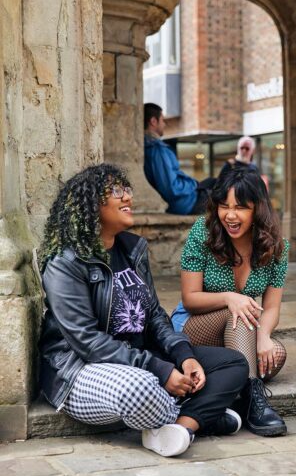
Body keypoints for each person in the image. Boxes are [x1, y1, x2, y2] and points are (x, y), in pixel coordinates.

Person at [38, 163, 248, 458]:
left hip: (138, 355)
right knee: (141, 388)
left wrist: (182, 356)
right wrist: (162, 371)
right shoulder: (66, 263)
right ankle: (202, 416)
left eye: (127, 190)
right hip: (80, 369)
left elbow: (155, 315)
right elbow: (86, 340)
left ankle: (182, 426)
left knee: (233, 363)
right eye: (116, 191)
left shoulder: (132, 250)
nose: (127, 198)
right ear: (90, 205)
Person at [171, 166, 289, 437]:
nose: (230, 215)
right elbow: (190, 299)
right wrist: (229, 298)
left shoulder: (276, 246)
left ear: (257, 209)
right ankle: (253, 400)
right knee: (241, 312)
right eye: (224, 206)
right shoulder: (204, 231)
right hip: (194, 326)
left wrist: (264, 335)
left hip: (239, 331)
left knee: (276, 353)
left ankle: (229, 388)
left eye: (240, 208)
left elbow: (271, 307)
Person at [144, 103, 216, 215]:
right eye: (162, 120)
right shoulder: (158, 149)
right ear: (153, 121)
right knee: (225, 192)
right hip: (186, 203)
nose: (164, 124)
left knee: (213, 181)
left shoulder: (150, 147)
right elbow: (171, 188)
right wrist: (194, 185)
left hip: (185, 200)